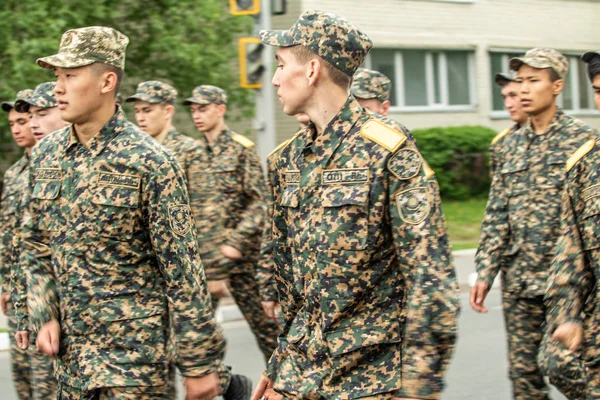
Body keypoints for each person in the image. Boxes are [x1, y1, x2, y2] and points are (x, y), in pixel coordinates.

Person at [252, 10, 460, 400]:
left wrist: (418, 389)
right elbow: (292, 287)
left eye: (281, 65)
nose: (276, 79)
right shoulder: (285, 161)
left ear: (312, 70)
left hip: (372, 379)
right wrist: (280, 363)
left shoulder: (387, 151)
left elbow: (430, 278)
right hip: (300, 374)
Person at [21, 26, 236, 399]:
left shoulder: (150, 161)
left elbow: (183, 271)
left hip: (134, 360)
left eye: (70, 76)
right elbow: (36, 245)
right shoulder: (46, 155)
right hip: (71, 361)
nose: (58, 87)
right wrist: (44, 314)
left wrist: (200, 364)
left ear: (107, 81)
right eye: (57, 76)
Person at [471, 48, 595, 399]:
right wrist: (485, 269)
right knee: (524, 376)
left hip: (567, 286)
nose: (523, 89)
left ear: (556, 86)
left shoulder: (584, 142)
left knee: (568, 368)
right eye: (520, 81)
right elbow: (497, 213)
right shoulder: (507, 146)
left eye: (533, 81)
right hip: (519, 281)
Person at [182, 84, 280, 362]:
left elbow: (259, 203)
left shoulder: (241, 150)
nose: (197, 116)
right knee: (196, 340)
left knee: (268, 334)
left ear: (220, 109)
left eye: (203, 109)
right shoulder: (193, 153)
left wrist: (236, 242)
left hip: (242, 261)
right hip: (207, 261)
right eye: (193, 111)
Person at [541, 50, 600, 400]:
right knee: (555, 359)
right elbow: (570, 251)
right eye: (597, 89)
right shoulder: (586, 163)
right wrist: (568, 316)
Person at [1, 88, 57, 399]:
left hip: (44, 296)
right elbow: (12, 237)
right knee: (27, 383)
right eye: (16, 122)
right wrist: (8, 285)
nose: (23, 128)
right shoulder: (14, 174)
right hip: (21, 289)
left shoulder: (49, 168)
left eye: (29, 118)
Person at [489, 72, 529, 175]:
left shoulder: (567, 135)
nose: (508, 104)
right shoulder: (501, 142)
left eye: (513, 95)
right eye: (504, 97)